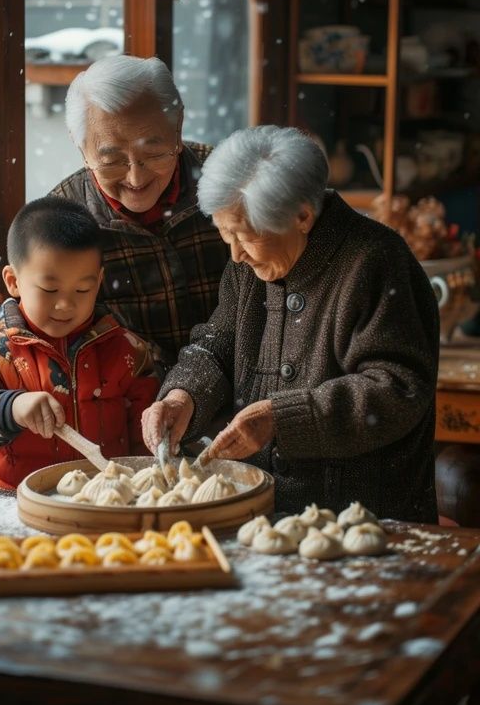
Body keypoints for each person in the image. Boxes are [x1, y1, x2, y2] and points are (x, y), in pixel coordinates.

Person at [141, 125, 440, 522]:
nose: (236, 255)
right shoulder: (250, 266)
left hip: (363, 517)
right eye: (225, 235)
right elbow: (218, 342)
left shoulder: (376, 262)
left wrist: (282, 419)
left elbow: (397, 389)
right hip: (262, 512)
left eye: (244, 236)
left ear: (302, 215)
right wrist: (183, 395)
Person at [0, 197, 158, 489]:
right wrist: (10, 408)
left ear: (99, 282)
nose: (65, 304)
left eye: (82, 289)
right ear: (13, 281)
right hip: (17, 510)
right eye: (50, 289)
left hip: (106, 503)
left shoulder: (128, 352)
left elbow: (146, 440)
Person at [50, 54, 229, 374]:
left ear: (178, 127)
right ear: (81, 149)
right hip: (130, 403)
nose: (135, 178)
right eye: (112, 159)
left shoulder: (228, 181)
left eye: (153, 153)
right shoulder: (60, 223)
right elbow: (27, 328)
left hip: (241, 389)